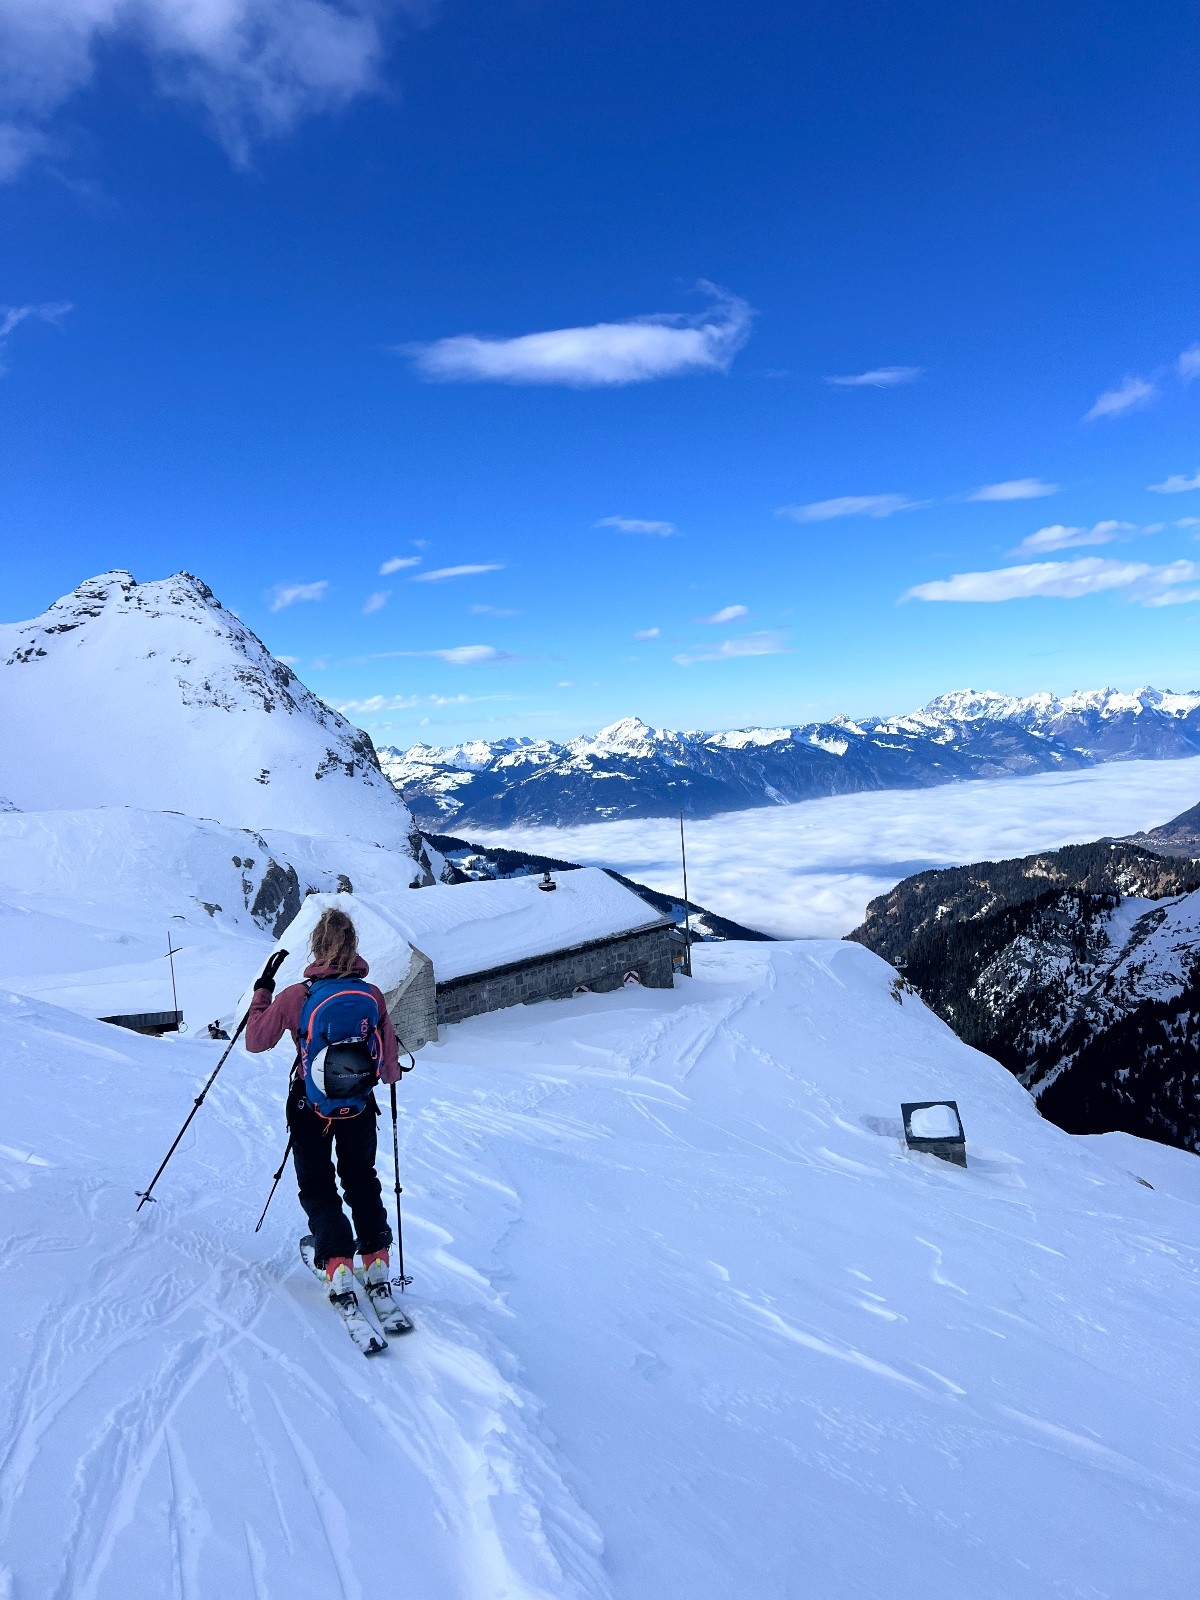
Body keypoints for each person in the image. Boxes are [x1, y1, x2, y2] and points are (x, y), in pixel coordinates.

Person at [245, 908, 404, 1322]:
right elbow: (389, 1065)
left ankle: (336, 1264)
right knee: (361, 1179)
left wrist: (263, 991)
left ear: (316, 946)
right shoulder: (371, 996)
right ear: (354, 947)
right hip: (359, 1105)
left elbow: (256, 1041)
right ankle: (376, 1257)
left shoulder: (298, 995)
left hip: (309, 1105)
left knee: (318, 1185)